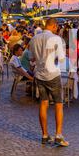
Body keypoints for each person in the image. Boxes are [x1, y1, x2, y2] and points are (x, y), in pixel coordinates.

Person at [29, 18, 68, 147]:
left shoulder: (34, 39)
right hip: (53, 74)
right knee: (58, 104)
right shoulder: (56, 39)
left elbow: (31, 58)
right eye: (57, 27)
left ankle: (45, 135)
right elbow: (61, 59)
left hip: (39, 75)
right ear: (54, 26)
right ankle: (58, 135)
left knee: (43, 103)